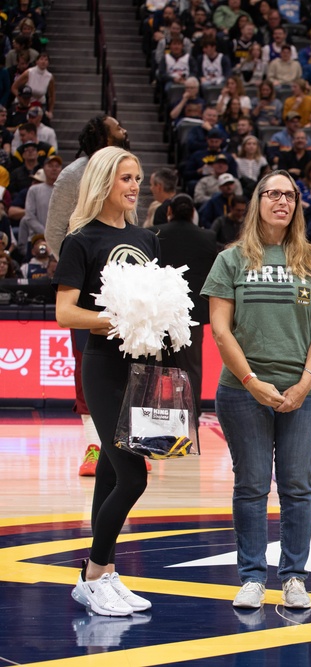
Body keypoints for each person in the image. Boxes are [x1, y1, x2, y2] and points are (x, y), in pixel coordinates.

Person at [201, 171, 311, 610]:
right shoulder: (231, 260)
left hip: (306, 394)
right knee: (252, 484)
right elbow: (221, 331)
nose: (282, 201)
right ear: (257, 201)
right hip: (243, 392)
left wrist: (303, 383)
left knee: (297, 485)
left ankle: (295, 576)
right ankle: (252, 577)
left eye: (290, 195)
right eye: (273, 193)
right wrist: (251, 381)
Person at [53, 147, 159, 616]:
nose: (134, 186)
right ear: (102, 183)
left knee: (112, 474)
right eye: (125, 179)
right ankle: (94, 572)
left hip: (142, 367)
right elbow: (64, 313)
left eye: (137, 178)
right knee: (133, 475)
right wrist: (115, 319)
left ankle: (105, 575)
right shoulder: (81, 240)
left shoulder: (146, 238)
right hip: (103, 366)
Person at [44, 115, 131, 478]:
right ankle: (95, 445)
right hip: (86, 289)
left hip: (125, 285)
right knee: (87, 368)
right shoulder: (72, 175)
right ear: (101, 136)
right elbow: (53, 232)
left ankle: (126, 441)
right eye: (117, 128)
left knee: (129, 366)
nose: (124, 131)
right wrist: (75, 269)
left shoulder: (124, 171)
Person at [155, 194, 218, 420]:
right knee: (191, 369)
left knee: (158, 367)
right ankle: (192, 419)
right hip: (193, 316)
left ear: (169, 211)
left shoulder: (155, 233)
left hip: (159, 313)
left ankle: (158, 417)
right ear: (193, 213)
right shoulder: (207, 237)